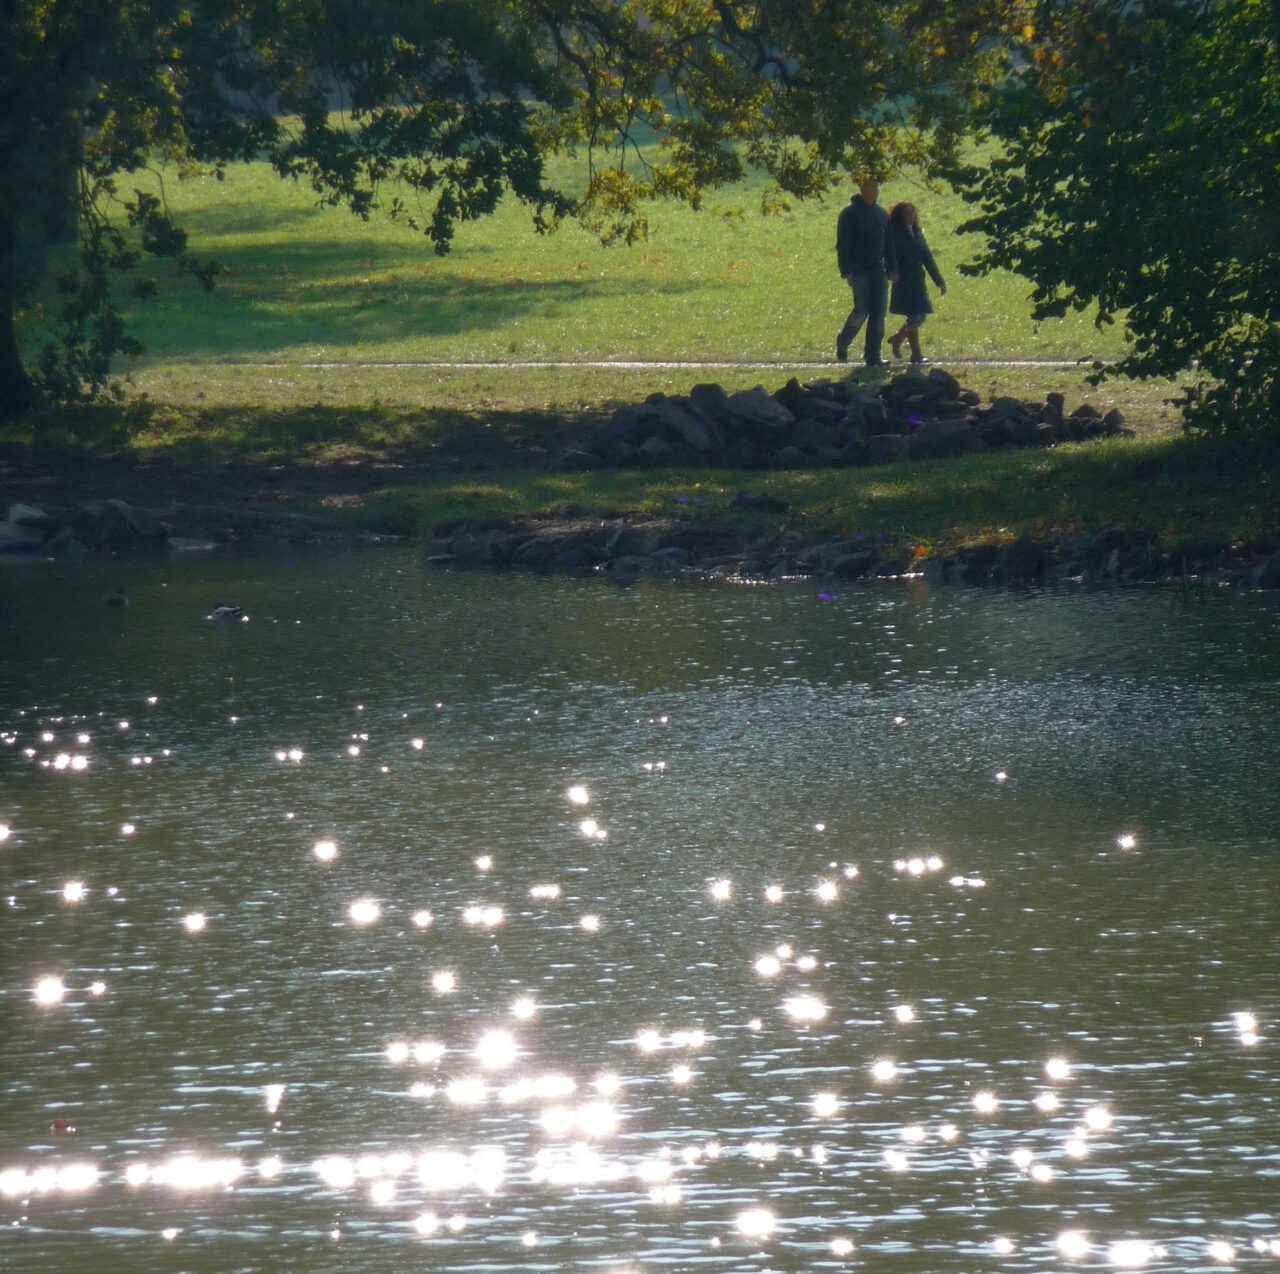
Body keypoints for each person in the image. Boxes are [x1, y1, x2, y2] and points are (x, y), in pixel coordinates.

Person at [835, 176, 899, 367]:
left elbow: (889, 244)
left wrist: (893, 268)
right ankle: (843, 340)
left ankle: (873, 356)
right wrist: (845, 270)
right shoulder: (848, 213)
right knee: (862, 309)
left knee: (879, 313)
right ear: (862, 189)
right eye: (871, 187)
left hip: (878, 269)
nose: (875, 190)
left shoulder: (881, 214)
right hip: (858, 269)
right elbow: (843, 244)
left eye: (876, 187)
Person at [886, 201, 946, 364]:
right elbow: (889, 256)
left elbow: (927, 258)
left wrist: (938, 280)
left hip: (918, 280)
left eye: (912, 212)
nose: (910, 216)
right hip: (904, 280)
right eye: (906, 213)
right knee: (914, 316)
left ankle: (898, 338)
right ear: (900, 216)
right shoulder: (895, 234)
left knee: (920, 316)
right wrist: (891, 272)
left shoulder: (917, 232)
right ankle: (916, 354)